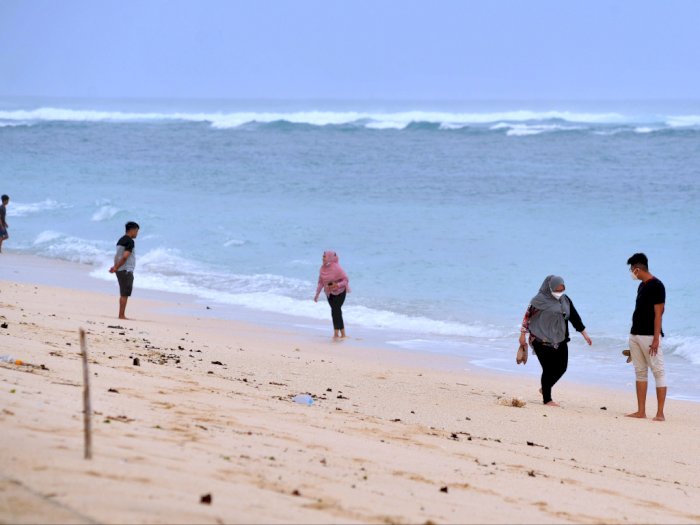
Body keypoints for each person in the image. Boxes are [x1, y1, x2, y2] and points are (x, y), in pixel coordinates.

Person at [519, 275, 592, 406]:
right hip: (540, 339)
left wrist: (584, 334)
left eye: (562, 289)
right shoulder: (538, 300)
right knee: (548, 369)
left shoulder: (565, 300)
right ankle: (547, 399)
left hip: (559, 339)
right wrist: (522, 335)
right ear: (550, 287)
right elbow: (527, 316)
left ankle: (545, 388)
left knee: (562, 368)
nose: (559, 293)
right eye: (557, 290)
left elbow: (574, 317)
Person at [625, 253, 667, 421]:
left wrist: (656, 339)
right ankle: (641, 411)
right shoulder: (642, 285)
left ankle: (660, 413)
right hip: (635, 334)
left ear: (638, 269)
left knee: (658, 372)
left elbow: (659, 314)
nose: (631, 273)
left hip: (649, 336)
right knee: (640, 372)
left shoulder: (657, 285)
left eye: (631, 270)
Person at [314, 251, 350, 339]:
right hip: (329, 293)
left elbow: (345, 280)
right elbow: (320, 283)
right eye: (322, 256)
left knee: (336, 309)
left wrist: (337, 285)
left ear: (329, 257)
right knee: (334, 311)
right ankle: (338, 333)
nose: (322, 258)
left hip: (341, 292)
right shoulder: (322, 269)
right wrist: (317, 294)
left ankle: (341, 334)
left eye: (324, 256)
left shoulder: (337, 268)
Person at [109, 221, 140, 320]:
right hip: (126, 270)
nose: (137, 233)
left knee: (123, 292)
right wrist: (116, 267)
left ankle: (121, 314)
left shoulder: (120, 240)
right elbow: (125, 257)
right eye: (137, 231)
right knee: (124, 293)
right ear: (132, 230)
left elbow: (117, 255)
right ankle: (121, 315)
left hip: (120, 269)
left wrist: (115, 267)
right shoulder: (130, 241)